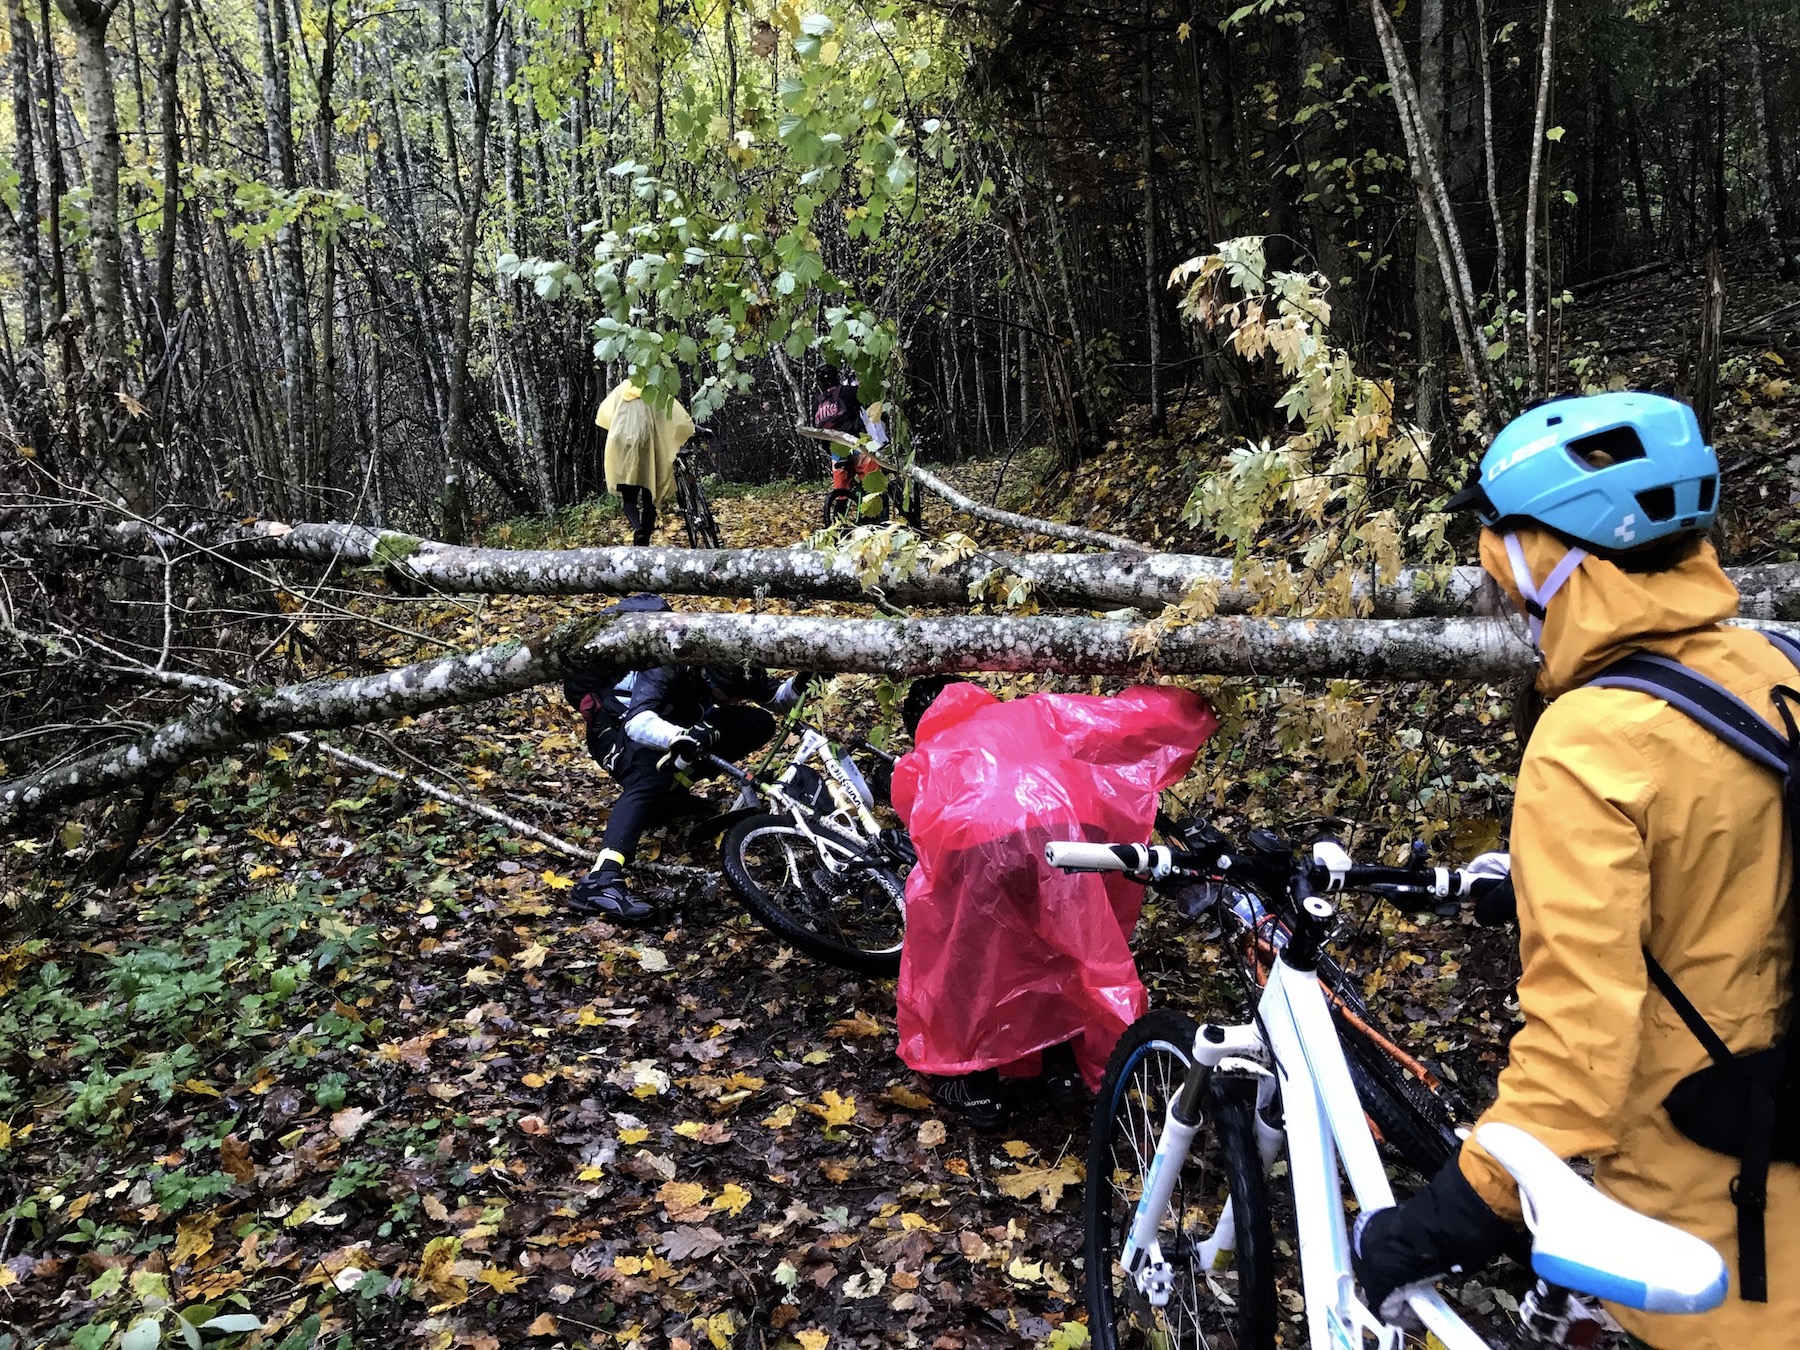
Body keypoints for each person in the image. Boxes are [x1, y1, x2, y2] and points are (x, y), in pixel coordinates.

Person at [1351, 392, 1798, 1349]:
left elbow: (1579, 1049)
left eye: (1503, 544)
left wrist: (1456, 1214)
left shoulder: (1592, 740)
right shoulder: (1777, 668)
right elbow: (1732, 878)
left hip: (1710, 1237)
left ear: (1547, 553)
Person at [890, 675, 1217, 1129]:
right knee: (1070, 948)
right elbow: (1115, 724)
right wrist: (1192, 704)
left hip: (981, 846)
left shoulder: (925, 755)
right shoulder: (1030, 713)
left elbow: (924, 830)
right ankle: (1063, 1064)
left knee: (969, 963)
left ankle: (972, 1078)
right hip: (1071, 834)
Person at [563, 594, 814, 922]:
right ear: (709, 678)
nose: (737, 698)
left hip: (671, 723)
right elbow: (639, 722)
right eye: (730, 695)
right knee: (648, 779)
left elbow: (775, 701)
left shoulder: (734, 661)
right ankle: (601, 879)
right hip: (616, 731)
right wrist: (679, 739)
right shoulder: (667, 663)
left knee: (757, 723)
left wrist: (804, 680)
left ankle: (671, 798)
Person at [596, 378, 694, 546]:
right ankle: (644, 542)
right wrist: (692, 429)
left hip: (621, 445)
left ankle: (637, 527)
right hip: (648, 447)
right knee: (649, 495)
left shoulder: (621, 390)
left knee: (628, 497)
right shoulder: (653, 391)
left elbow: (603, 415)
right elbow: (675, 415)